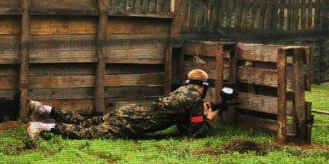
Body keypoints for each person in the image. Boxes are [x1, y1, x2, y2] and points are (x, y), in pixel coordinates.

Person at [27, 68, 220, 141]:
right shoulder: (195, 99)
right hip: (131, 123)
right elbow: (195, 132)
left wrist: (199, 115)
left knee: (86, 122)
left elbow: (181, 120)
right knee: (89, 133)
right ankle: (42, 126)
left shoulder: (181, 91)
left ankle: (44, 109)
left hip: (129, 111)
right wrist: (208, 119)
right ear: (203, 86)